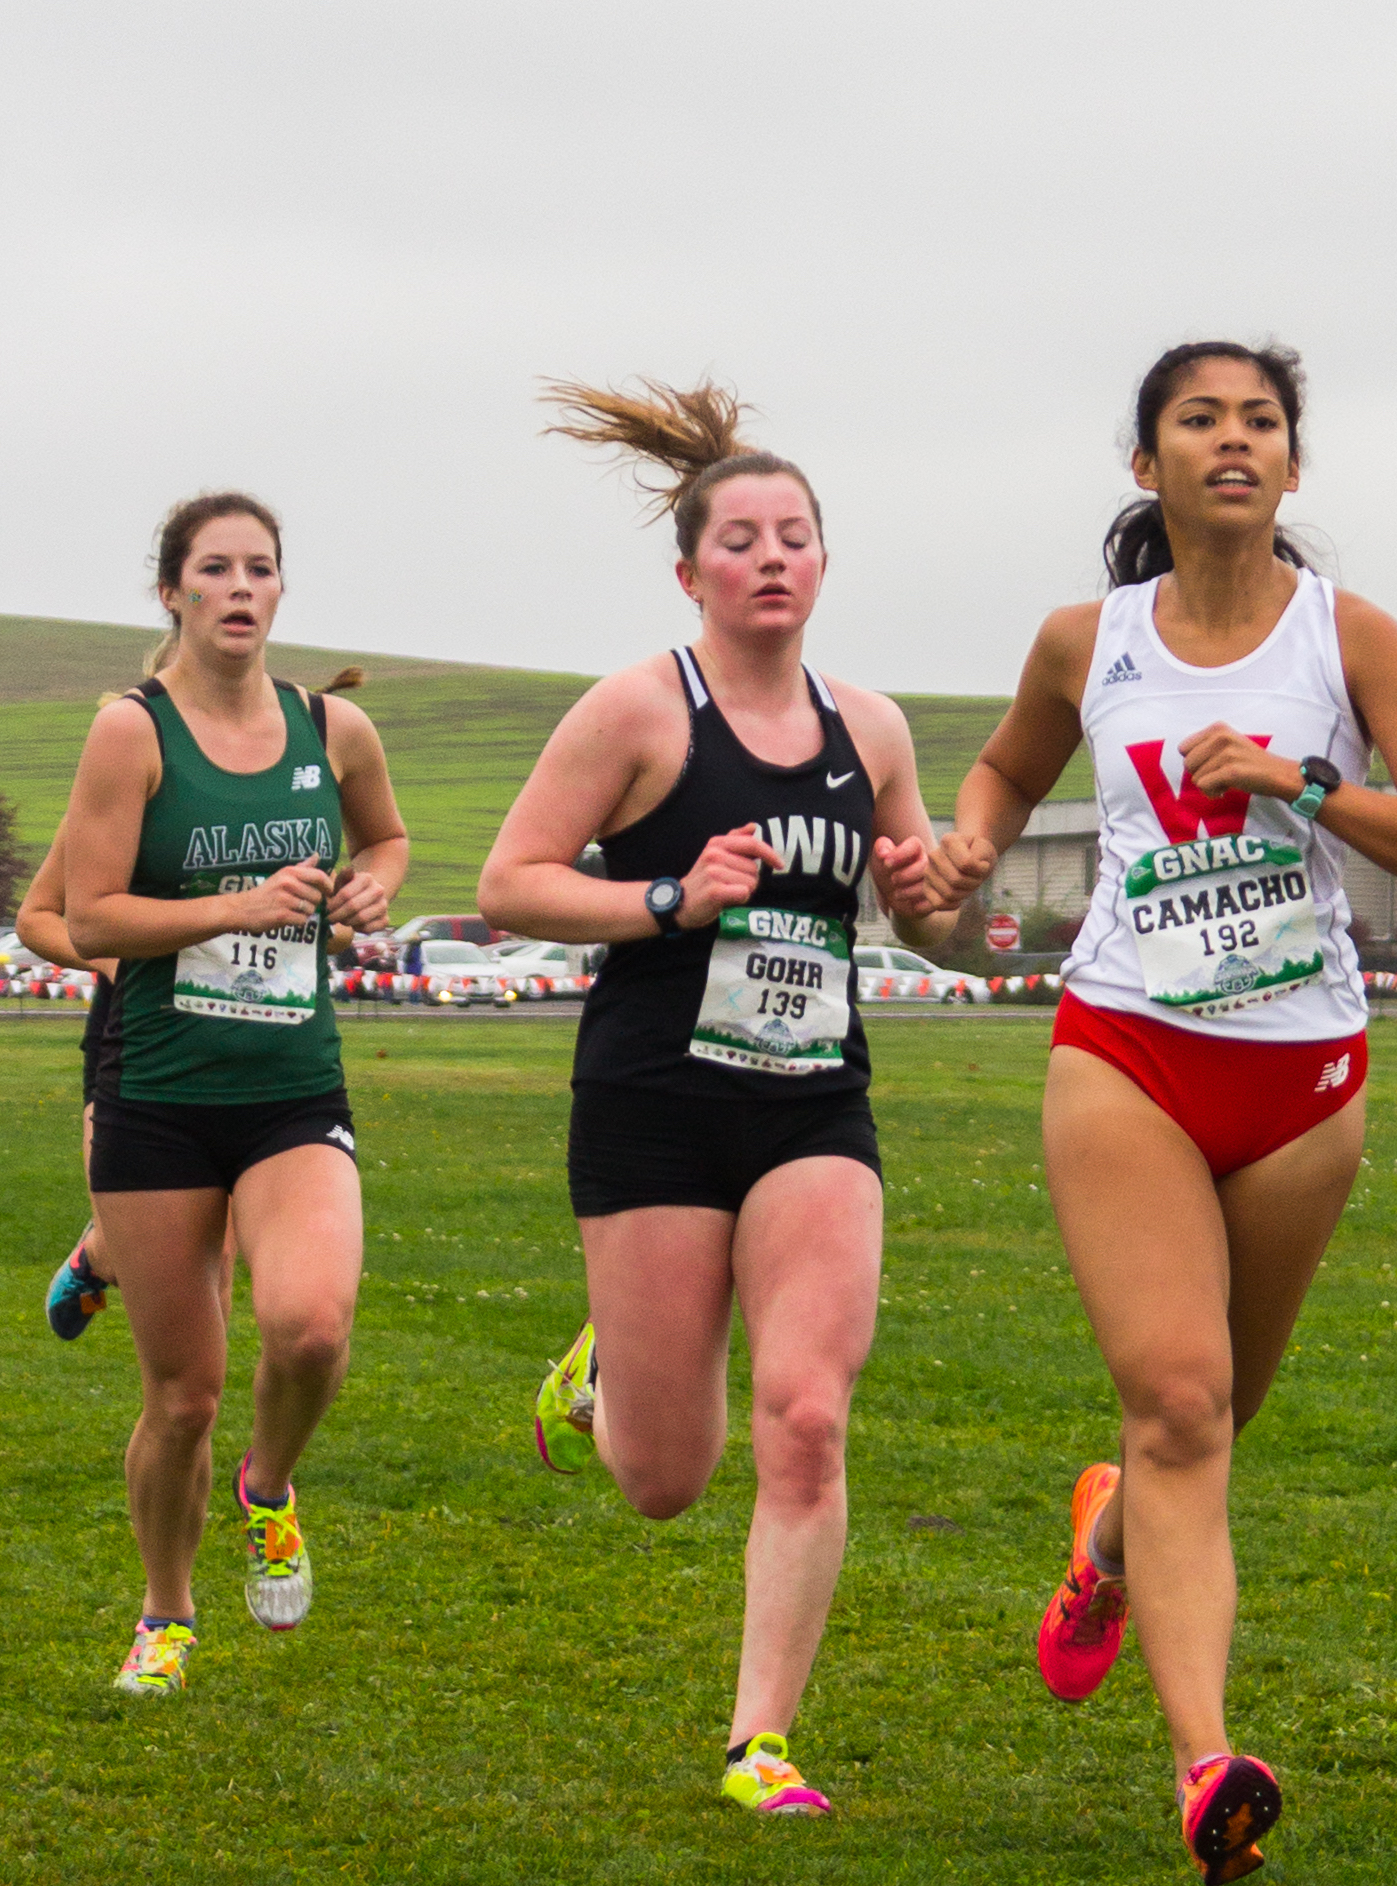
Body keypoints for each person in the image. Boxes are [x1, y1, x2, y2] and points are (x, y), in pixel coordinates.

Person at [921, 341, 1397, 1882]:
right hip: (1130, 1051)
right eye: (1199, 419)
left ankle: (1105, 1542)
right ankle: (1205, 1759)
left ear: (1293, 469)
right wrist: (970, 844)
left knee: (1218, 1414)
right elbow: (1001, 767)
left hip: (1303, 1077)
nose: (1232, 440)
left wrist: (1304, 783)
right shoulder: (1082, 640)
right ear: (1147, 464)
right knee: (1179, 1401)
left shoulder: (1350, 636)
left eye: (1261, 422)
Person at [478, 377, 959, 1818]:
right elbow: (510, 885)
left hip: (816, 1103)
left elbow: (929, 918)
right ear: (690, 570)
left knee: (807, 1417)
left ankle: (762, 1737)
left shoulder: (868, 728)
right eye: (739, 538)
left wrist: (943, 900)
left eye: (794, 535)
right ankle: (611, 1374)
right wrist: (671, 892)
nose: (769, 557)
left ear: (823, 562)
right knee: (666, 1479)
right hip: (656, 1101)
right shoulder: (639, 709)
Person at [64, 493, 408, 1696]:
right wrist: (234, 904)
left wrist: (370, 886)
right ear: (173, 592)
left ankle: (270, 1484)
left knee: (312, 1326)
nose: (241, 587)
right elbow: (88, 913)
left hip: (289, 1086)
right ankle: (166, 1610)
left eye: (261, 567)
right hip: (159, 1093)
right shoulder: (132, 732)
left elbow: (390, 843)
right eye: (216, 569)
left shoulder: (333, 727)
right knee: (181, 1395)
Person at [31, 669, 365, 1341]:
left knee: (222, 1257)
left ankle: (202, 1416)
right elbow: (41, 916)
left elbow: (336, 922)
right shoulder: (121, 784)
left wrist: (322, 923)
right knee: (162, 1252)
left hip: (260, 1046)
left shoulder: (279, 793)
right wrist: (118, 958)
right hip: (143, 1038)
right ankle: (99, 1253)